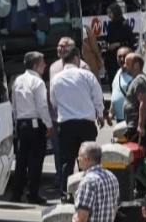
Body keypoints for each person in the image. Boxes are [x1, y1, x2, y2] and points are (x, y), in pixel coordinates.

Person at [50, 45, 106, 199]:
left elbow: (53, 102)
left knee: (67, 161)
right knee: (88, 160)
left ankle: (65, 193)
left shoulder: (56, 78)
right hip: (86, 125)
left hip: (66, 125)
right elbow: (97, 96)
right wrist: (100, 115)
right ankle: (87, 192)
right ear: (76, 58)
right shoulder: (86, 75)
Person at [10, 52, 53, 204]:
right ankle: (32, 194)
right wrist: (48, 124)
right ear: (35, 66)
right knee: (35, 161)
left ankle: (16, 193)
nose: (45, 66)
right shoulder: (38, 82)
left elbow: (14, 105)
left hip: (22, 123)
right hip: (35, 123)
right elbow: (42, 106)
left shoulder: (17, 80)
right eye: (42, 63)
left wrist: (16, 122)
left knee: (21, 160)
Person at [49, 37, 90, 186]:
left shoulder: (83, 68)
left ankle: (81, 182)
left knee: (81, 154)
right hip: (58, 118)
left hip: (79, 118)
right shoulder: (53, 67)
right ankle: (61, 180)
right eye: (59, 46)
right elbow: (52, 93)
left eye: (64, 47)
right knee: (61, 153)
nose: (60, 49)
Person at [122, 52, 146, 153]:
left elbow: (143, 103)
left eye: (127, 64)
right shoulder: (137, 79)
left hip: (137, 127)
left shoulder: (139, 81)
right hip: (134, 124)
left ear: (136, 65)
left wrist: (140, 126)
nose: (125, 66)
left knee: (137, 157)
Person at [103, 1, 136, 84]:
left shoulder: (124, 24)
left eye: (110, 12)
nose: (108, 15)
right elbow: (109, 39)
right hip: (112, 59)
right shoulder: (111, 25)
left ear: (116, 12)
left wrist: (118, 44)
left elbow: (132, 42)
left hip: (122, 59)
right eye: (107, 13)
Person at [110, 46, 135, 122]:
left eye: (125, 56)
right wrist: (111, 112)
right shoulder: (118, 72)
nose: (122, 59)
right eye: (119, 57)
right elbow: (115, 93)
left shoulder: (135, 76)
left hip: (131, 119)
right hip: (119, 118)